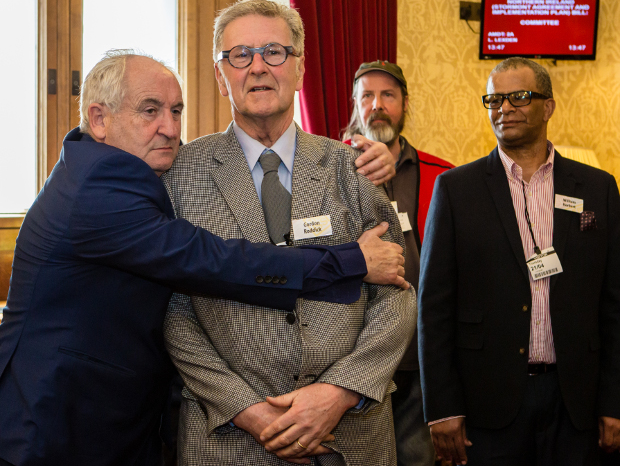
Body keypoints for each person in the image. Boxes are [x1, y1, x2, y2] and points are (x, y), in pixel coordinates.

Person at [0, 50, 408, 466]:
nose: (170, 128)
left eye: (176, 111)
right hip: (58, 421)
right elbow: (212, 262)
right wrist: (351, 261)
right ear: (100, 120)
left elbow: (399, 296)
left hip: (106, 417)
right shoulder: (101, 185)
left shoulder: (111, 166)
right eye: (150, 111)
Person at [162, 0, 416, 466]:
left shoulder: (352, 166)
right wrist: (248, 410)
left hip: (350, 433)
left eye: (274, 51)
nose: (258, 67)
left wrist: (339, 392)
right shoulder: (181, 175)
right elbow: (175, 310)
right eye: (240, 55)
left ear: (300, 69)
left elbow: (397, 294)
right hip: (228, 438)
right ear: (221, 77)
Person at [418, 57, 620, 465]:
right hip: (487, 402)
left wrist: (614, 401)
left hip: (575, 400)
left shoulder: (598, 188)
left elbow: (614, 305)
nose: (504, 108)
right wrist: (442, 408)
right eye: (494, 98)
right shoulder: (456, 189)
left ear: (548, 107)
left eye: (519, 97)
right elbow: (433, 308)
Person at [343, 60, 453, 466]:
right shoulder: (325, 172)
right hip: (353, 351)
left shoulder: (444, 176)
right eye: (367, 96)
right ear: (355, 105)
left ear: (405, 103)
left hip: (420, 355)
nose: (377, 105)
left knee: (416, 457)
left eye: (388, 95)